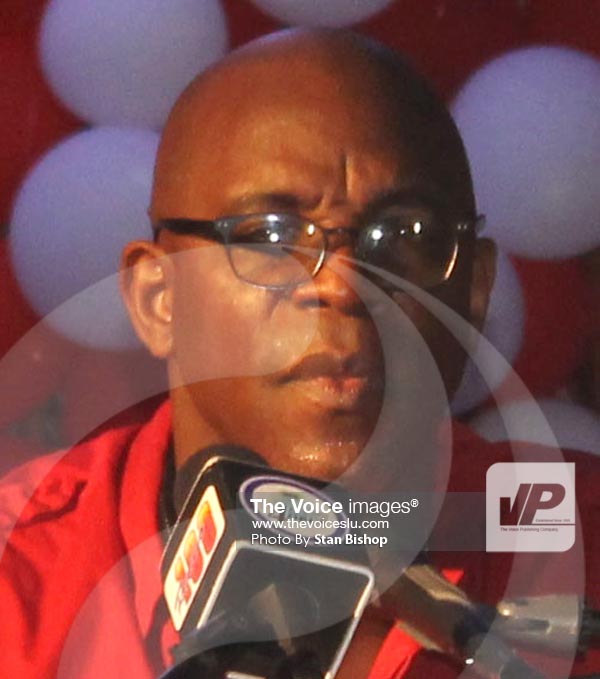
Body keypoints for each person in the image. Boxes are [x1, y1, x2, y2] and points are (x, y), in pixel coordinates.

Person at [1, 28, 599, 679]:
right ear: (160, 299)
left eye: (404, 234)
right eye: (270, 236)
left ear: (475, 292)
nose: (342, 285)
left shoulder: (580, 540)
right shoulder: (18, 573)